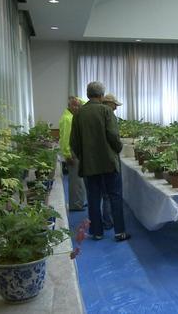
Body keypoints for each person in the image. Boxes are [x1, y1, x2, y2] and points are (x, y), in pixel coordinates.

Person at [70, 81, 131, 242]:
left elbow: (74, 143)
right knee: (115, 196)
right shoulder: (106, 111)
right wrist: (117, 149)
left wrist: (83, 156)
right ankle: (120, 232)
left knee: (93, 198)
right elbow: (113, 136)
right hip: (109, 163)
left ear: (88, 94)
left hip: (89, 165)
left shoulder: (78, 114)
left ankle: (97, 232)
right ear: (102, 95)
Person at [58, 96, 86, 211]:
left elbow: (84, 103)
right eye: (74, 105)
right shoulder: (68, 119)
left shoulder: (71, 116)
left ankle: (79, 201)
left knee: (79, 179)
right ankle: (75, 204)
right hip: (72, 153)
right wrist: (67, 154)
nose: (77, 107)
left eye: (78, 105)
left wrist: (77, 99)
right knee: (76, 180)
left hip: (74, 151)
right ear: (69, 106)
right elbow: (65, 138)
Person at [100, 93, 123, 230]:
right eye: (115, 104)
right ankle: (109, 221)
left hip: (100, 159)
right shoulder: (109, 116)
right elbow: (114, 137)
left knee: (104, 193)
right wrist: (119, 147)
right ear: (108, 103)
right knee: (110, 193)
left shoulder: (98, 115)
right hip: (109, 159)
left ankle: (105, 219)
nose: (116, 107)